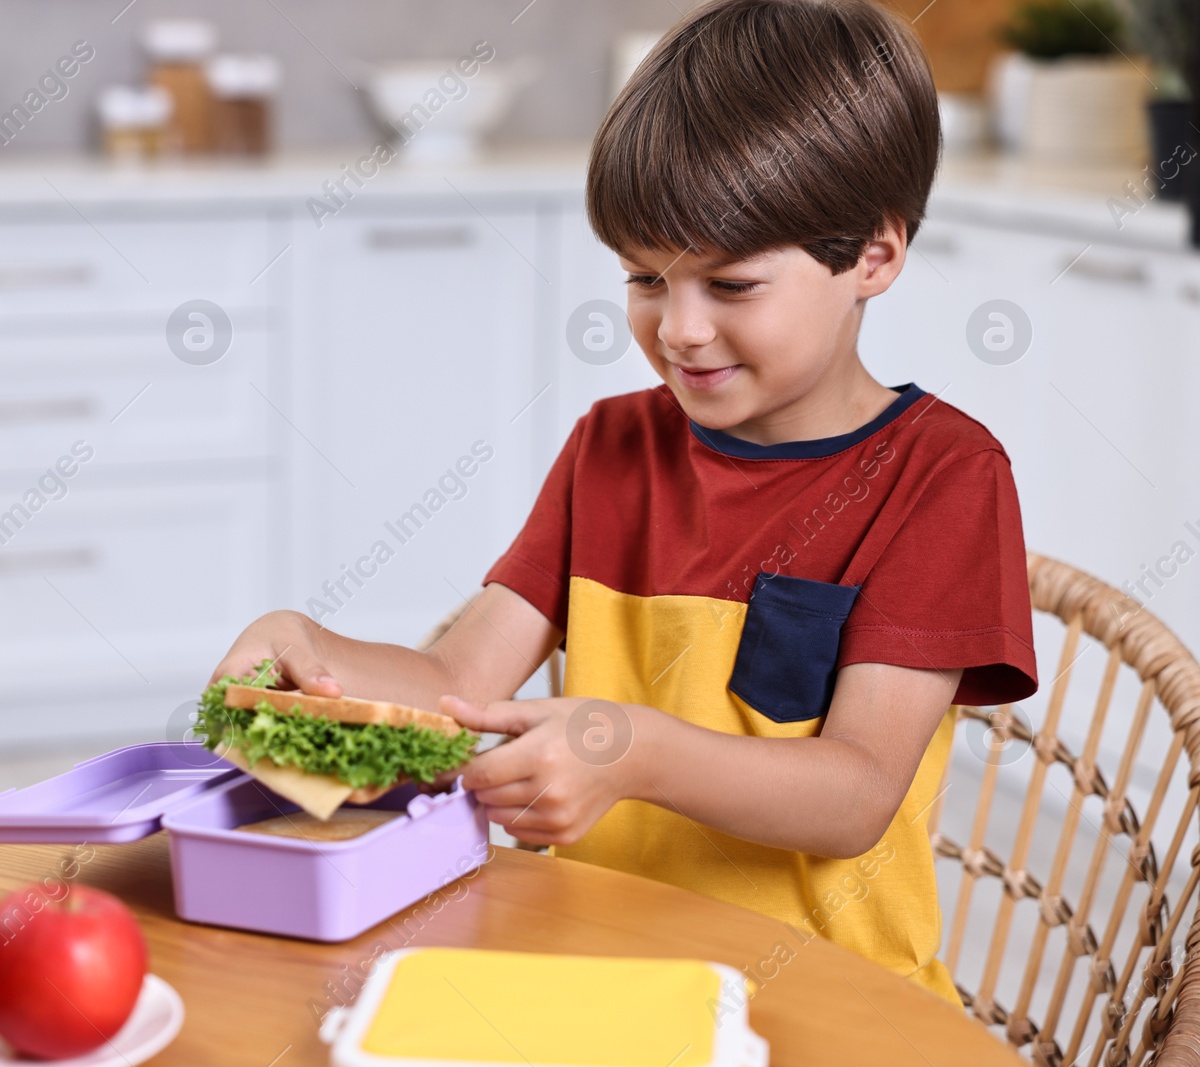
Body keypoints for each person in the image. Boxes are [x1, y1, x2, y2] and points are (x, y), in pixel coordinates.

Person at [211, 0, 1037, 1004]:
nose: (678, 328)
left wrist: (632, 748)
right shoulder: (613, 445)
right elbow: (456, 679)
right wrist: (311, 648)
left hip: (830, 1003)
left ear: (873, 253)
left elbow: (856, 791)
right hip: (598, 981)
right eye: (645, 277)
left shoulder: (942, 476)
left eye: (730, 285)